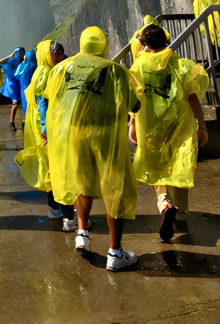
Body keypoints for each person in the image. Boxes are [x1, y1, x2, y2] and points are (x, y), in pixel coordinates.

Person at [46, 27, 141, 271]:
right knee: (114, 190)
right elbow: (135, 104)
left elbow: (53, 101)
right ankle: (115, 253)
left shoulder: (63, 68)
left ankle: (82, 233)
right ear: (103, 45)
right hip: (105, 138)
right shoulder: (113, 70)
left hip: (74, 136)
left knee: (82, 183)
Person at [128, 24, 210, 242]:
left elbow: (134, 98)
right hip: (179, 123)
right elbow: (192, 97)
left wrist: (132, 124)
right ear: (166, 41)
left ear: (144, 44)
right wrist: (201, 126)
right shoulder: (179, 65)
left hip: (152, 126)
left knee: (157, 167)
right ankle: (181, 210)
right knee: (179, 164)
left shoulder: (138, 66)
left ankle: (165, 203)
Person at [15, 40, 74, 224]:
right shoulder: (46, 73)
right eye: (56, 54)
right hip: (50, 129)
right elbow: (43, 105)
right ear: (47, 55)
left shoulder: (42, 71)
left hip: (46, 128)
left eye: (61, 54)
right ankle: (66, 214)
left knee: (51, 170)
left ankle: (54, 210)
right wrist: (46, 130)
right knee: (59, 170)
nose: (60, 57)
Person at [0, 47, 26, 131]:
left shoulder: (24, 61)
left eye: (22, 52)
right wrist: (10, 56)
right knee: (15, 104)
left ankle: (24, 121)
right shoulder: (11, 61)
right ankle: (12, 122)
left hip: (22, 85)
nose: (21, 54)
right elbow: (0, 62)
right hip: (14, 86)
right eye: (19, 52)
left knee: (25, 103)